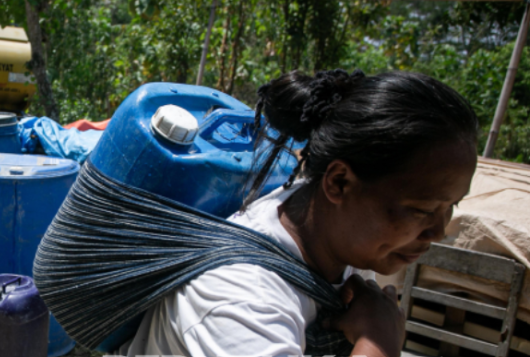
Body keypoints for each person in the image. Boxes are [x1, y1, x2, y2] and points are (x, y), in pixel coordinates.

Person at [120, 69, 479, 357]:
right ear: (338, 182)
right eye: (422, 210)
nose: (438, 231)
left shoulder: (326, 229)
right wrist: (379, 343)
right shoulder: (241, 300)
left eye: (452, 206)